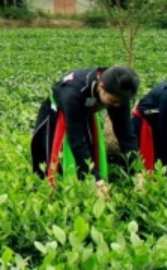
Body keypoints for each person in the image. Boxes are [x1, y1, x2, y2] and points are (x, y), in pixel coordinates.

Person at [30, 66, 140, 197]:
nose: (116, 106)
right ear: (101, 87)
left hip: (86, 112)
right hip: (57, 115)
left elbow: (126, 133)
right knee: (54, 162)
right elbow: (77, 140)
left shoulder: (119, 93)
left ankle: (86, 192)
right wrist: (97, 180)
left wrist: (137, 171)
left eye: (120, 103)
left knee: (89, 155)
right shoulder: (74, 93)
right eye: (113, 101)